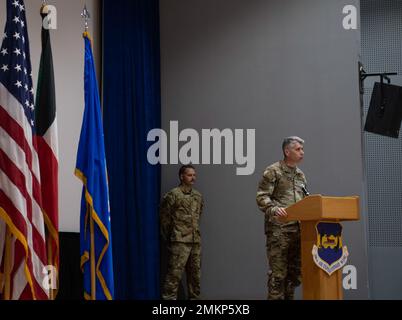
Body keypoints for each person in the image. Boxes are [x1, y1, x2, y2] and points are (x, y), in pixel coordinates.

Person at [256, 136, 308, 300]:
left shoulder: (300, 175)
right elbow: (261, 197)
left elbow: (304, 200)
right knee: (278, 276)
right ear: (287, 151)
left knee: (294, 276)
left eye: (302, 149)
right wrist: (273, 208)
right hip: (279, 231)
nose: (302, 152)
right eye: (298, 149)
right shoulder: (273, 171)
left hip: (298, 231)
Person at [160, 165, 204, 300]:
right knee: (173, 276)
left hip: (195, 242)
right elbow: (164, 219)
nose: (193, 178)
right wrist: (172, 236)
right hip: (179, 242)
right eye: (190, 175)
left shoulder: (198, 196)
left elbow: (198, 215)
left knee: (195, 277)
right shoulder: (173, 195)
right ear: (181, 176)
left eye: (194, 175)